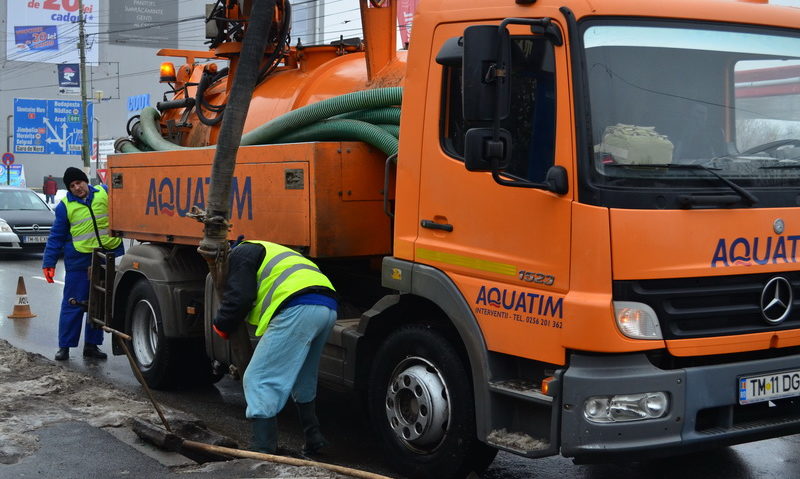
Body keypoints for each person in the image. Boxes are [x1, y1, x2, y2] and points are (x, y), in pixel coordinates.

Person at [212, 240, 337, 455]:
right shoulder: (272, 250)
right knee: (303, 375)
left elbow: (240, 298)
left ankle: (262, 451)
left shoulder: (241, 253)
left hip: (297, 307)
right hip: (327, 307)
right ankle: (315, 439)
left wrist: (221, 325)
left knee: (258, 378)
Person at [42, 167, 124, 361]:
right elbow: (56, 237)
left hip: (108, 256)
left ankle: (92, 345)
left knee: (99, 303)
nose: (77, 187)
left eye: (79, 183)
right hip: (80, 260)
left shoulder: (104, 191)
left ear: (85, 181)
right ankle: (65, 346)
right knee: (74, 303)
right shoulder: (65, 206)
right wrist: (49, 263)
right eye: (72, 186)